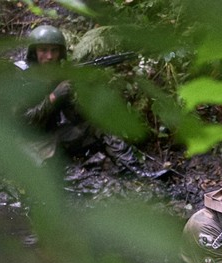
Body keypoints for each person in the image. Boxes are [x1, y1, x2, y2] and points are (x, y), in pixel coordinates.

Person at [14, 24, 161, 175]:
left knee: (100, 126)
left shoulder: (60, 75)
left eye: (54, 50)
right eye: (43, 50)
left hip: (57, 135)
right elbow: (23, 123)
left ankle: (136, 171)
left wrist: (81, 91)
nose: (50, 56)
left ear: (61, 53)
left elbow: (75, 116)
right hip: (30, 143)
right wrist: (53, 97)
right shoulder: (23, 79)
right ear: (33, 52)